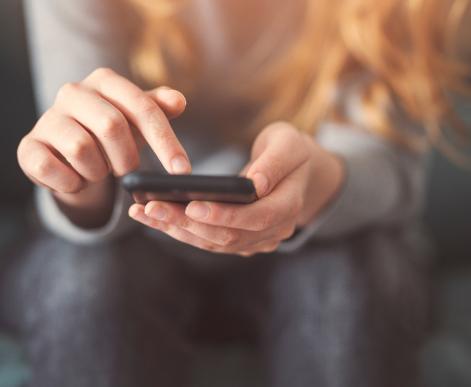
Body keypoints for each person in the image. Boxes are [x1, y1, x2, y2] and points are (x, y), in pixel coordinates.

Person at [1, 0, 470, 385]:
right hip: (129, 238)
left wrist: (317, 180)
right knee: (87, 284)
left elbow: (388, 168)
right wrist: (78, 179)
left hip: (327, 235)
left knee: (346, 280)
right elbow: (87, 165)